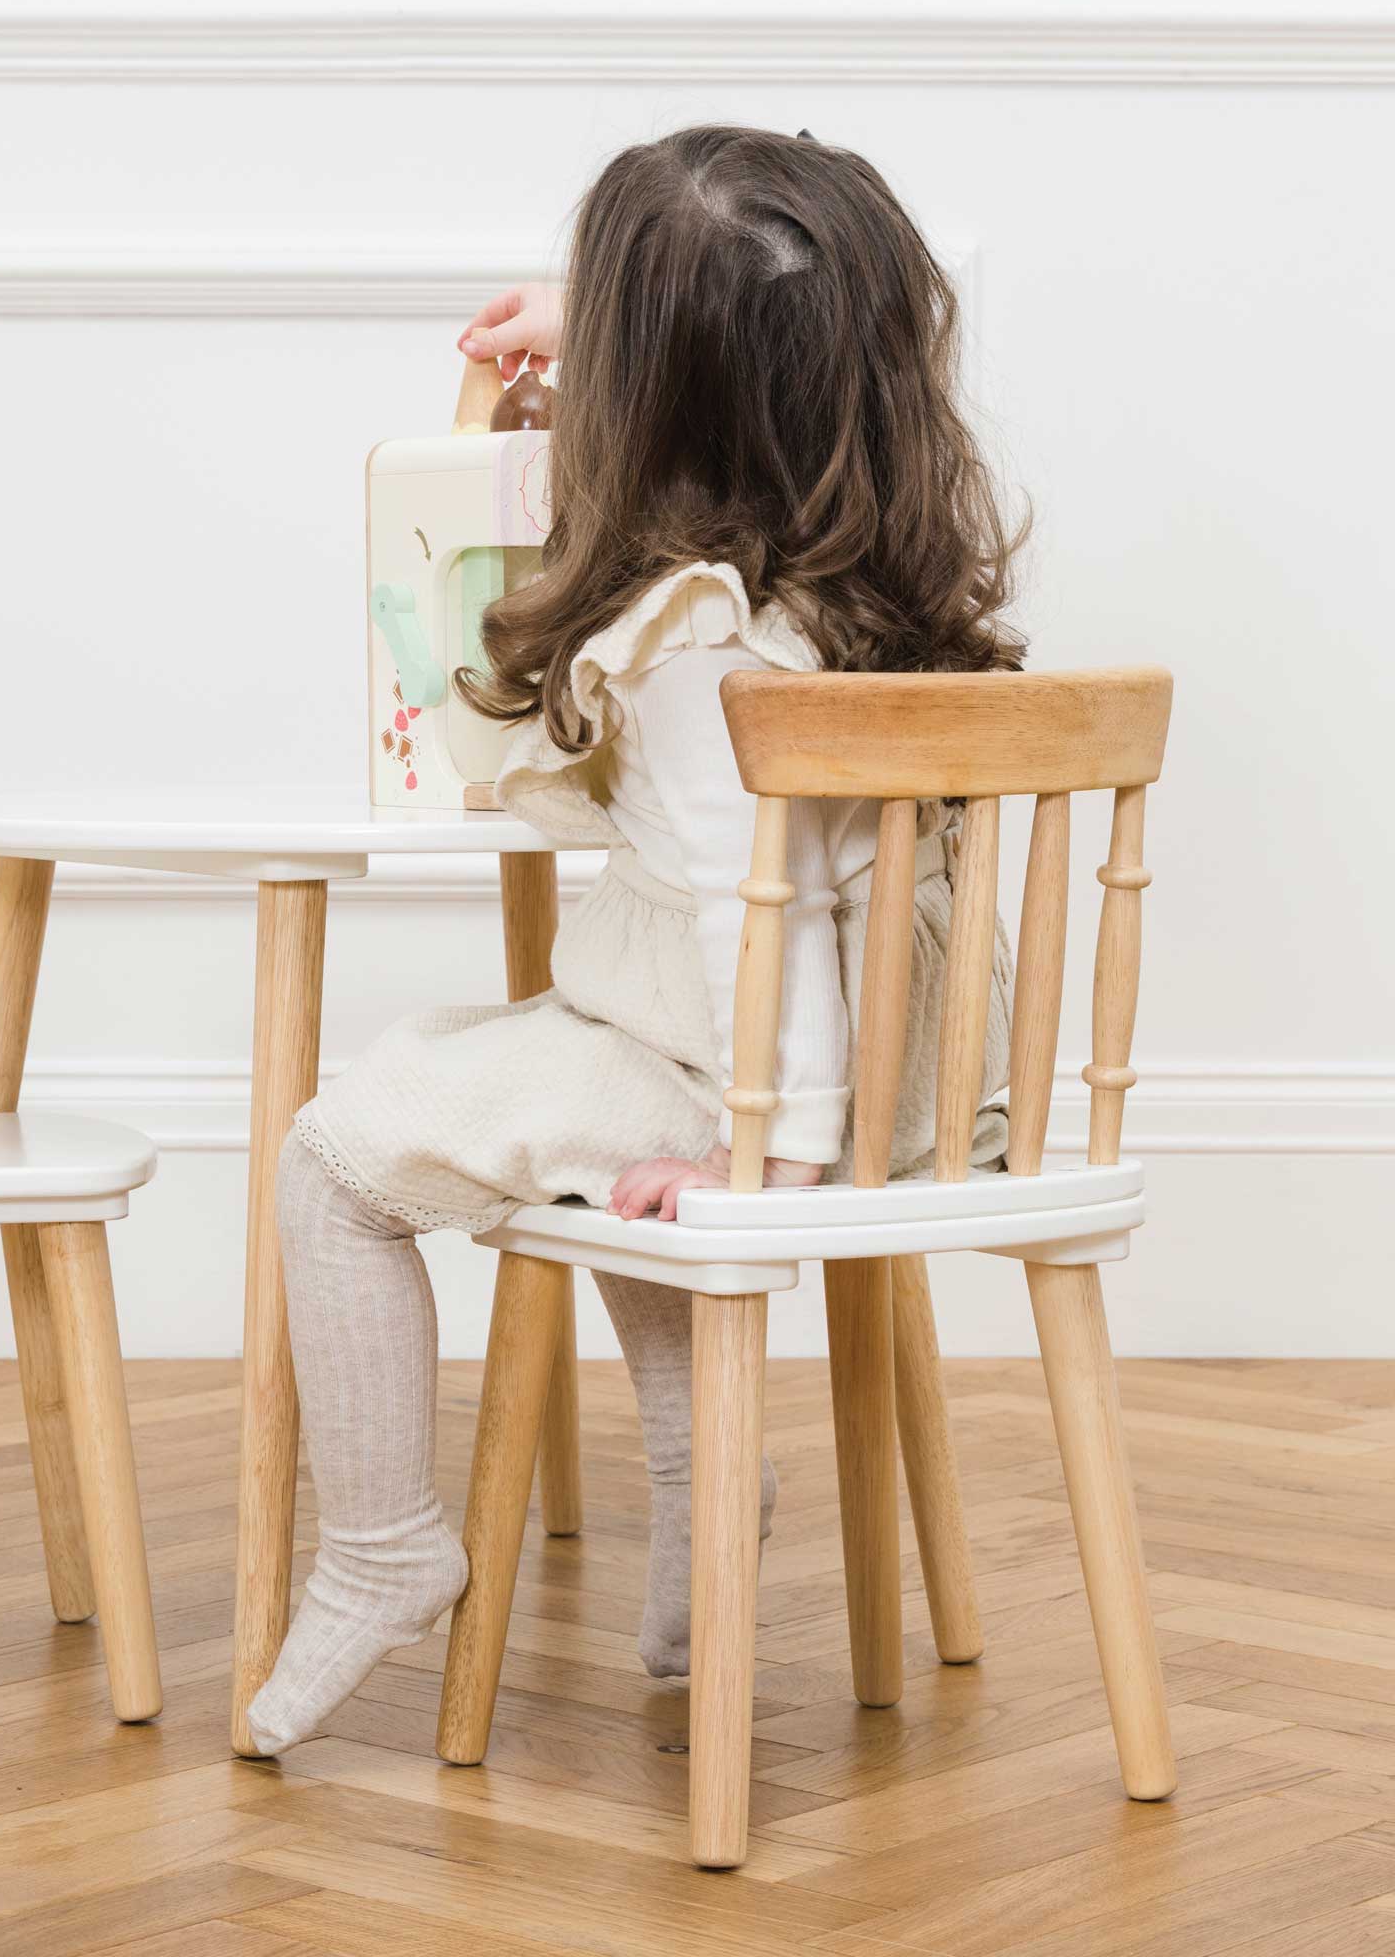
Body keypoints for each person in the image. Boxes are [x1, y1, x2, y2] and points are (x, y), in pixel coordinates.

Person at [247, 124, 1019, 1757]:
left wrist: (775, 1155)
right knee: (581, 1133)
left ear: (644, 397)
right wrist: (618, 325)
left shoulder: (693, 647)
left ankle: (385, 1548)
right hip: (902, 1064)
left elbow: (775, 923)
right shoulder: (849, 593)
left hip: (759, 1077)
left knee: (336, 1157)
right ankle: (697, 1528)